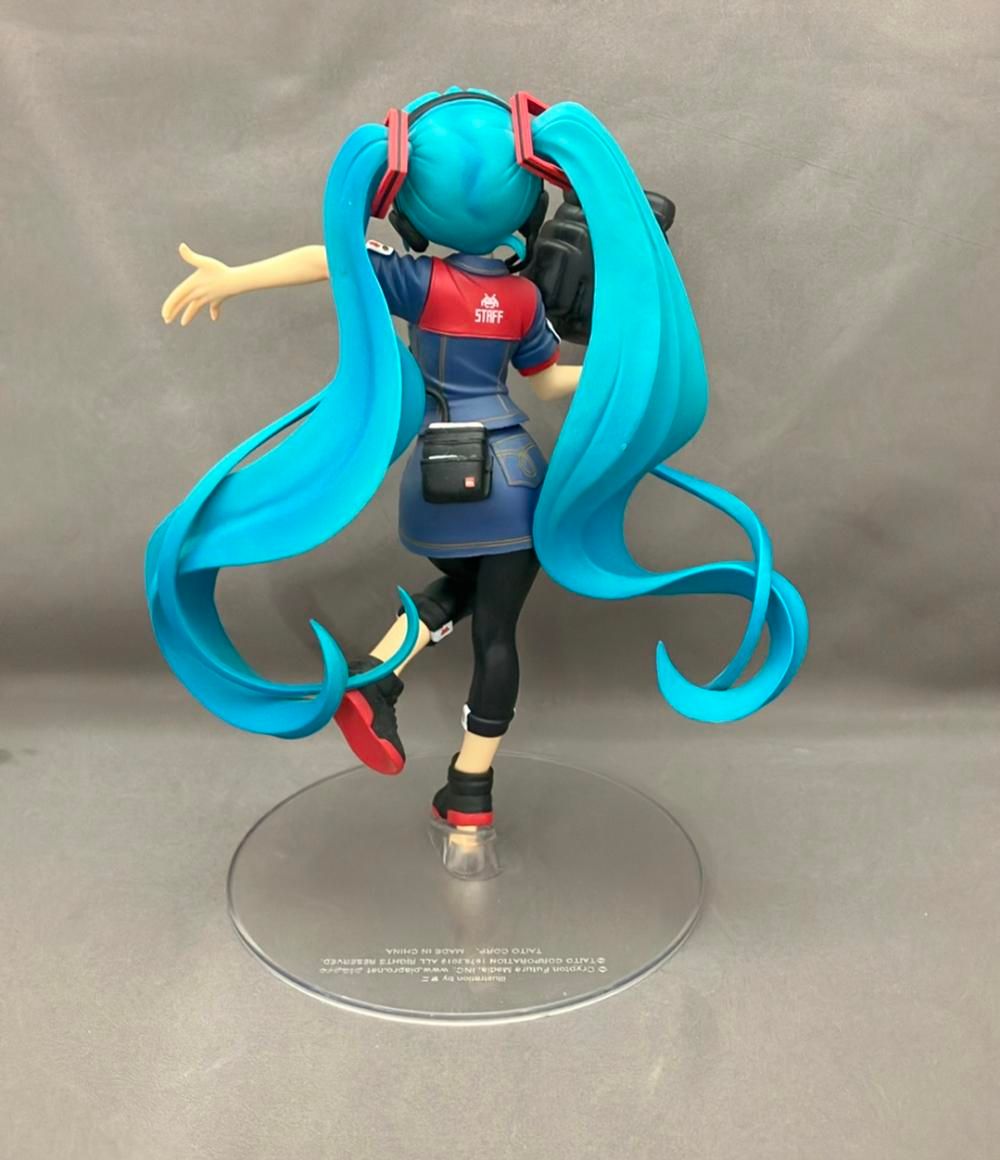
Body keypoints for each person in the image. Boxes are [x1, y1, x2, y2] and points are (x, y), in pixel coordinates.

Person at [148, 87, 808, 834]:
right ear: (528, 199)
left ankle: (377, 678)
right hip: (511, 477)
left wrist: (235, 276)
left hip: (435, 481)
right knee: (496, 634)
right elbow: (550, 383)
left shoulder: (419, 281)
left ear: (407, 202)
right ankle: (470, 789)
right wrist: (625, 369)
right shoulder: (523, 302)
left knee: (462, 586)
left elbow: (332, 259)